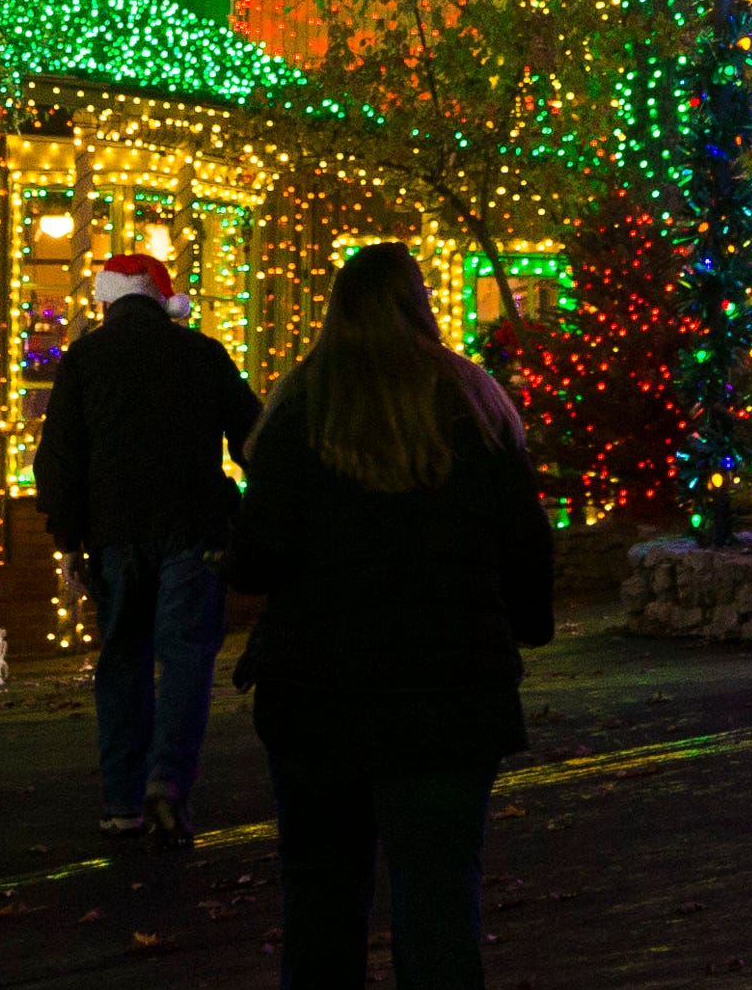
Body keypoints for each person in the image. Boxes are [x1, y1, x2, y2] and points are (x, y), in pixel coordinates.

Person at [228, 243, 558, 990]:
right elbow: (525, 541)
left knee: (320, 897)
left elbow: (254, 559)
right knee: (440, 894)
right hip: (450, 691)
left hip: (319, 694)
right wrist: (524, 624)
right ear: (421, 305)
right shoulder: (474, 403)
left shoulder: (301, 407)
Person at [35, 249, 261, 847]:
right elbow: (253, 438)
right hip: (193, 524)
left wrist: (67, 537)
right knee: (186, 654)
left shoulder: (84, 359)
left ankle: (120, 802)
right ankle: (167, 779)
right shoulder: (203, 354)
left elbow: (57, 457)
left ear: (108, 301)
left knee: (123, 659)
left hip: (113, 531)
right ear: (164, 303)